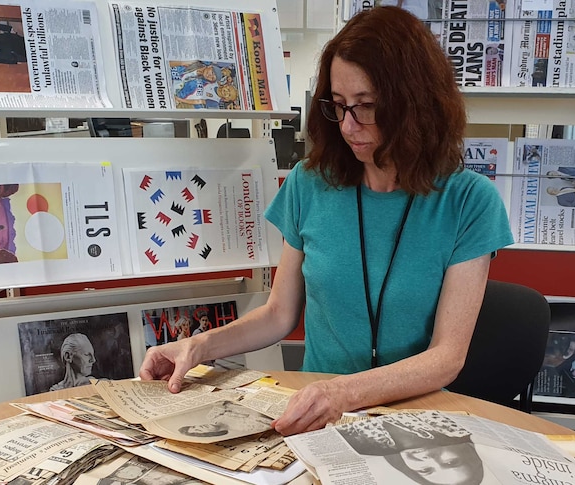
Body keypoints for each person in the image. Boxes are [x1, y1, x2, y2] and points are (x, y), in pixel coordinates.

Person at [140, 6, 512, 436]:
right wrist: (199, 346)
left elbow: (447, 356)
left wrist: (342, 394)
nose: (349, 127)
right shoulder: (309, 184)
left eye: (367, 107)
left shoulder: (470, 201)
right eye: (339, 106)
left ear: (416, 105)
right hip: (314, 417)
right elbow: (279, 314)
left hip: (413, 420)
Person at [337, 417, 484, 485]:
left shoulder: (360, 444)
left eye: (426, 470)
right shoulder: (452, 422)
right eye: (451, 462)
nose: (431, 459)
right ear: (469, 449)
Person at [177, 400, 273, 437]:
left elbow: (221, 401)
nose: (200, 426)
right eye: (198, 430)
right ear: (208, 434)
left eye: (194, 426)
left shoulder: (212, 417)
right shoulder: (243, 429)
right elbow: (264, 418)